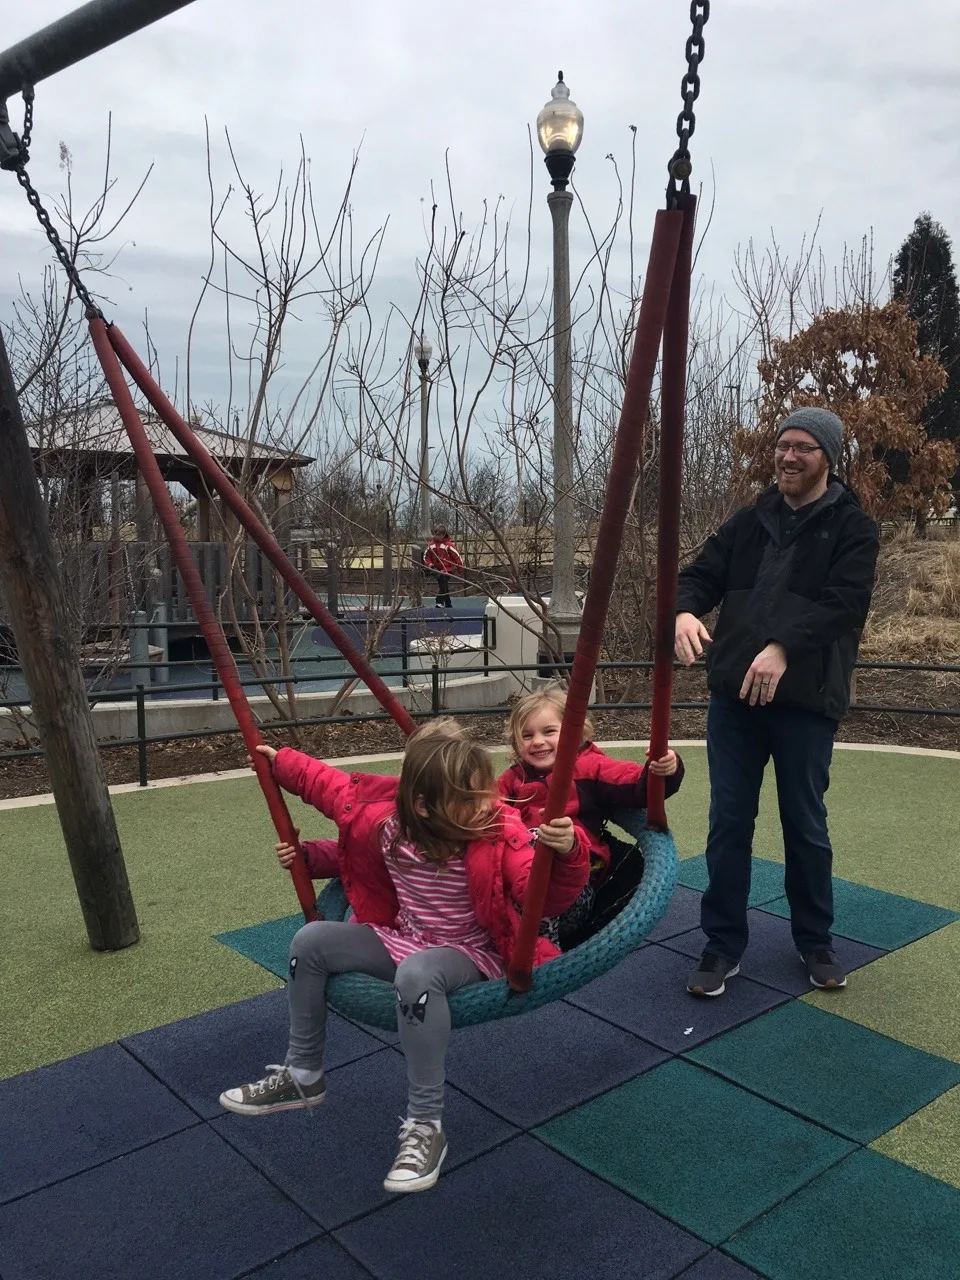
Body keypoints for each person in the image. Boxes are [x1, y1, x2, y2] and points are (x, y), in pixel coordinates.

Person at [219, 719, 588, 1195]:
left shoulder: (499, 830)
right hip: (406, 936)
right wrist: (280, 765)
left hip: (473, 950)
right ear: (422, 806)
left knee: (416, 975)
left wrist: (568, 852)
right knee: (310, 942)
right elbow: (329, 785)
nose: (487, 803)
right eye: (470, 797)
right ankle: (303, 1072)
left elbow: (543, 892)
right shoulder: (386, 822)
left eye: (484, 792)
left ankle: (425, 1124)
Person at [675, 406, 880, 997]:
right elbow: (699, 575)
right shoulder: (750, 519)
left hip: (805, 703)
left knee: (805, 825)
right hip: (736, 702)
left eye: (804, 448)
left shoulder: (852, 528)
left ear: (829, 458)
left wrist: (783, 647)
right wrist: (686, 609)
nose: (789, 456)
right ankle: (721, 947)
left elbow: (845, 604)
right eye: (783, 445)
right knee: (728, 823)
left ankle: (815, 943)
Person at [497, 688, 684, 947]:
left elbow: (636, 785)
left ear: (577, 733)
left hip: (574, 887)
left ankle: (541, 947)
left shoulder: (588, 766)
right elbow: (485, 808)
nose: (537, 741)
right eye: (527, 736)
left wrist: (663, 770)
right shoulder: (513, 778)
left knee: (539, 841)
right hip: (518, 884)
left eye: (548, 731)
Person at [423, 525, 464, 609]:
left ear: (443, 535)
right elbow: (426, 557)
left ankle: (440, 601)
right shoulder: (431, 545)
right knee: (443, 583)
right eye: (435, 535)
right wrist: (430, 565)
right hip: (436, 569)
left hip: (447, 569)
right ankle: (447, 602)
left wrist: (460, 568)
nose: (437, 537)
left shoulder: (448, 545)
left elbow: (457, 557)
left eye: (439, 535)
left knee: (443, 581)